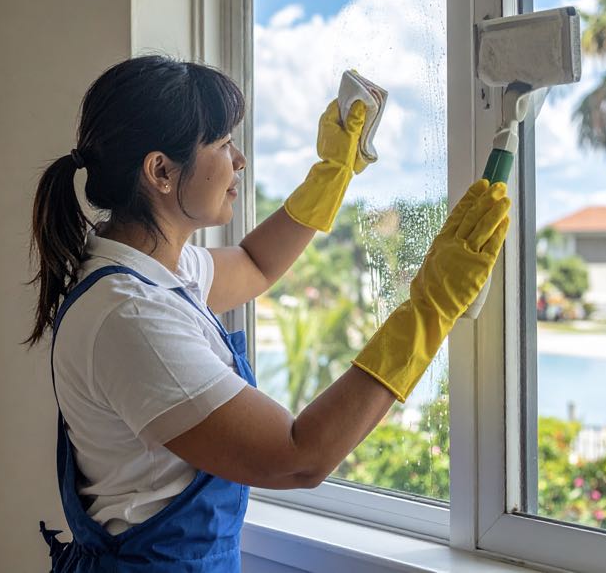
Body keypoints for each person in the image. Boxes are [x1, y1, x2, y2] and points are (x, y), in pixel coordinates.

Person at [27, 55, 510, 572]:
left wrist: (332, 174)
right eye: (220, 144)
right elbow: (298, 458)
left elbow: (255, 265)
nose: (239, 160)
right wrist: (429, 305)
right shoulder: (131, 316)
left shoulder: (150, 267)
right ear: (160, 172)